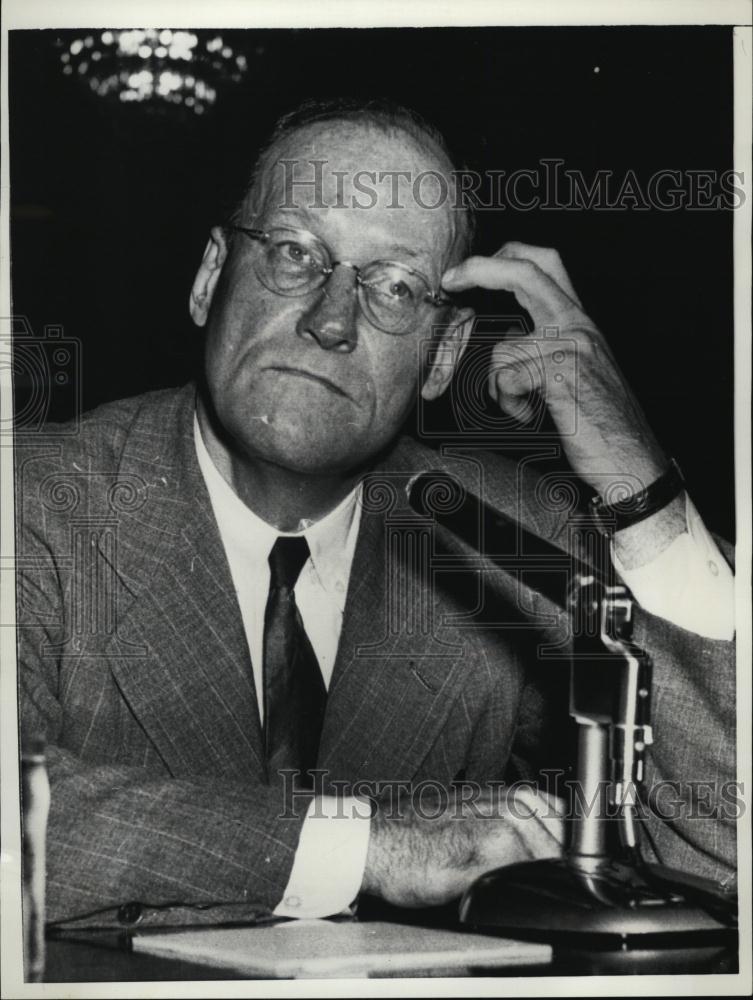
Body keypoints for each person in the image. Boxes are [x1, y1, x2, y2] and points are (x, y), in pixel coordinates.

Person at [15, 99, 736, 927]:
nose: (330, 320)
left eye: (393, 286)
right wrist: (371, 845)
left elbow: (726, 842)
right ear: (210, 276)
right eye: (293, 253)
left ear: (444, 354)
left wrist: (638, 483)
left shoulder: (502, 538)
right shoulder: (35, 502)